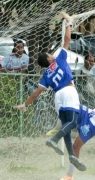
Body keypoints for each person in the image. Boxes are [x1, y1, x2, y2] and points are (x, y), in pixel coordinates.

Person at [13, 14, 86, 171]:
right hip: (68, 91)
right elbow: (67, 40)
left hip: (58, 96)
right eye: (49, 54)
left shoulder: (46, 74)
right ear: (48, 59)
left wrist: (24, 105)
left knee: (66, 124)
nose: (52, 54)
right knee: (73, 122)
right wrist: (69, 23)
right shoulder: (59, 60)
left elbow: (36, 93)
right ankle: (54, 139)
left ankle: (72, 155)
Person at [46, 53, 95, 137]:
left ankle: (67, 131)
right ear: (85, 61)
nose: (91, 62)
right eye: (89, 60)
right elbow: (80, 86)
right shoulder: (79, 71)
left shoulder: (92, 71)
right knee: (70, 116)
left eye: (92, 61)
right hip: (77, 95)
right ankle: (63, 131)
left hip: (89, 95)